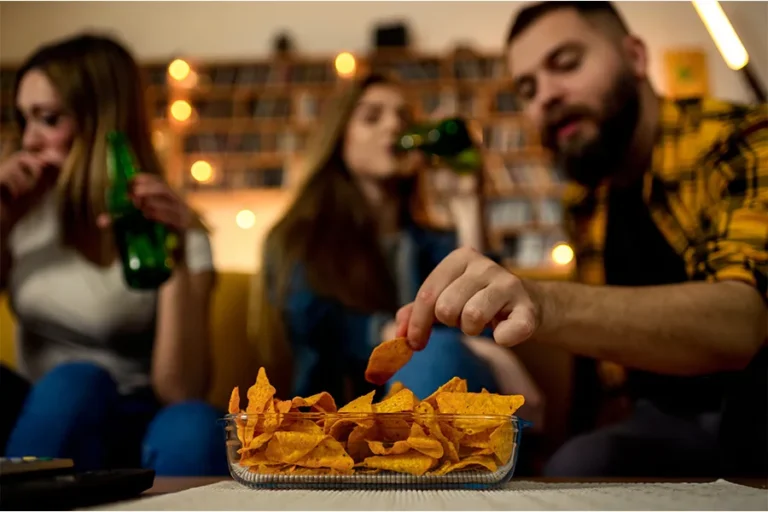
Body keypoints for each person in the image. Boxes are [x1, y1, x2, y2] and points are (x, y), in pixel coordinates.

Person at [395, 1, 767, 477]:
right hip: (658, 423)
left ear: (634, 56)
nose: (545, 96)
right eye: (526, 89)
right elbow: (597, 373)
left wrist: (545, 304)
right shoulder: (586, 202)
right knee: (572, 462)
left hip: (753, 408)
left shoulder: (745, 139)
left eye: (566, 63)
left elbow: (741, 322)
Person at [250, 73, 544, 424]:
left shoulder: (431, 242)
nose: (393, 126)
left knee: (445, 354)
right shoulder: (297, 238)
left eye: (403, 119)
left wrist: (467, 203)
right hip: (337, 421)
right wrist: (415, 338)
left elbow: (482, 323)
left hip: (439, 419)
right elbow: (317, 324)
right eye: (372, 117)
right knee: (438, 350)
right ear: (339, 138)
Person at [0, 33, 227, 476]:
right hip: (44, 412)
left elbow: (181, 388)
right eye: (22, 119)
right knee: (73, 383)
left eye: (47, 119)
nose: (29, 140)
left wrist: (174, 254)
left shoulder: (174, 224)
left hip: (141, 414)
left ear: (101, 120)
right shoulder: (20, 207)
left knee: (197, 425)